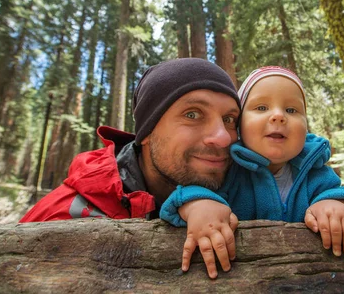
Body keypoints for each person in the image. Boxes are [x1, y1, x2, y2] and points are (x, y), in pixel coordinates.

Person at [161, 66, 344, 278]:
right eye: (262, 108)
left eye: (292, 110)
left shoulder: (315, 172)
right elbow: (187, 194)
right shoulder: (229, 169)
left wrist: (336, 205)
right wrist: (200, 206)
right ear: (239, 126)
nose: (278, 116)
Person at [20, 58, 242, 223]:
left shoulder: (249, 193)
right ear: (146, 133)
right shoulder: (62, 216)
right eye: (192, 114)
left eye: (229, 119)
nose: (223, 138)